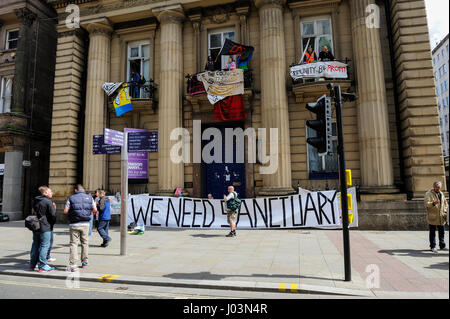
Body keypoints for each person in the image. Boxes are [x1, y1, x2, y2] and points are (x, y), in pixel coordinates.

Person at [63, 184, 97, 272]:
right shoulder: (90, 198)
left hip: (74, 224)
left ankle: (73, 264)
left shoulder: (71, 198)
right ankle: (85, 262)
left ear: (75, 190)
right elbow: (95, 210)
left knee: (73, 243)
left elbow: (65, 211)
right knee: (85, 243)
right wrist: (89, 212)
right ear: (83, 190)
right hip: (85, 224)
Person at [29, 186, 56, 272]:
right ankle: (43, 265)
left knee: (35, 244)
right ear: (45, 193)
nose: (51, 193)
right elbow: (53, 215)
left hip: (36, 226)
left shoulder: (35, 200)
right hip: (45, 226)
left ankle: (32, 265)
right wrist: (52, 223)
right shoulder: (48, 201)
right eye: (50, 192)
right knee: (45, 245)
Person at [424, 181, 448, 253]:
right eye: (437, 187)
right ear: (434, 186)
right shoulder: (428, 194)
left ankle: (442, 245)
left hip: (441, 216)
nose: (438, 189)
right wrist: (433, 203)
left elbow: (445, 203)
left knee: (442, 232)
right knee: (432, 232)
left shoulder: (441, 193)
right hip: (433, 216)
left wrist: (445, 210)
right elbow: (426, 204)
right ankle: (433, 246)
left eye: (439, 187)